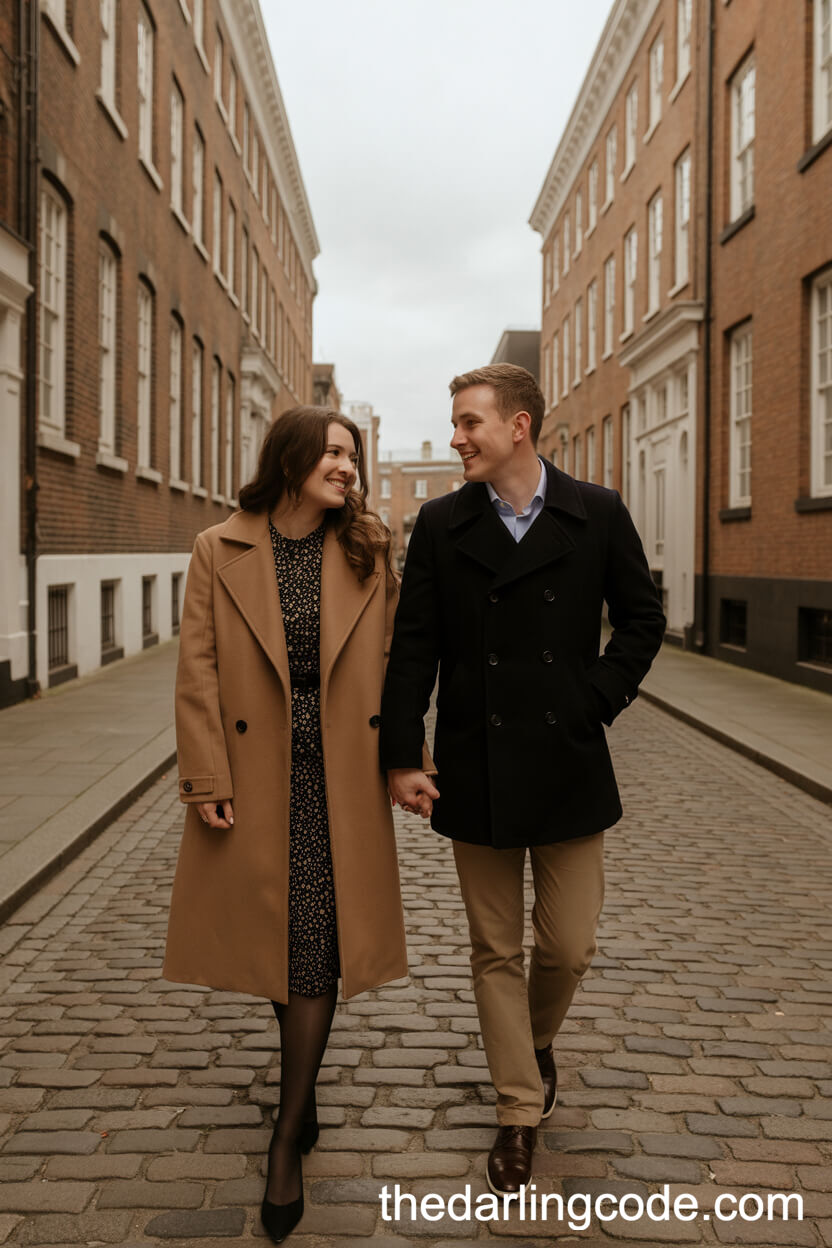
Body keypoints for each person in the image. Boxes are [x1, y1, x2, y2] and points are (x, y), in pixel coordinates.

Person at [380, 364, 665, 1196]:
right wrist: (404, 755)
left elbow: (642, 619)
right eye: (456, 423)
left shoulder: (598, 511)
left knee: (569, 947)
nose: (458, 438)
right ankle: (517, 1110)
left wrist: (597, 699)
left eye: (470, 423)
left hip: (570, 758)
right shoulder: (440, 523)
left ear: (520, 427)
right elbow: (414, 648)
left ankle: (531, 1042)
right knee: (495, 949)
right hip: (477, 763)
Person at [164, 407, 409, 1245]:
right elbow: (197, 666)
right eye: (334, 453)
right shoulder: (219, 548)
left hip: (339, 777)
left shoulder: (367, 549)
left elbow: (393, 664)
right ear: (293, 459)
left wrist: (407, 757)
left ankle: (285, 1132)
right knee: (282, 939)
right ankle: (300, 1097)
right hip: (257, 776)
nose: (347, 467)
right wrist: (204, 773)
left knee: (316, 947)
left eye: (353, 455)